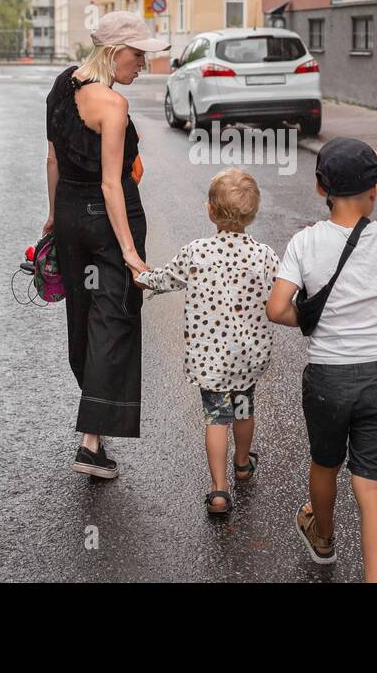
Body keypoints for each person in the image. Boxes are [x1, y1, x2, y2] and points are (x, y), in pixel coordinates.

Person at [265, 138, 377, 582]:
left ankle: (324, 540)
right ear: (375, 191)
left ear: (321, 189)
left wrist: (316, 313)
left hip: (327, 381)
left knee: (325, 463)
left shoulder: (304, 242)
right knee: (371, 483)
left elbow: (277, 309)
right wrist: (375, 305)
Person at [44, 11, 169, 478]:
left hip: (72, 216)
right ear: (114, 53)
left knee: (83, 316)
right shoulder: (113, 106)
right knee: (113, 320)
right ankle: (91, 443)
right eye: (138, 56)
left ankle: (93, 431)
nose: (143, 64)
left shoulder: (62, 85)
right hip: (109, 218)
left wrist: (55, 216)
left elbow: (52, 156)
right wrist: (132, 255)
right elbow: (113, 185)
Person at [135, 168, 279, 515]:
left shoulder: (196, 252)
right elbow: (283, 292)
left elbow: (163, 280)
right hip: (247, 355)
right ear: (253, 213)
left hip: (211, 358)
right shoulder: (264, 256)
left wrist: (140, 276)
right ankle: (242, 464)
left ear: (210, 210)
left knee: (217, 419)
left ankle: (219, 490)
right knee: (244, 408)